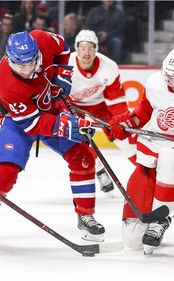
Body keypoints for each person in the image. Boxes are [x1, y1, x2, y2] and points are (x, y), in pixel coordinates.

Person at [0, 29, 106, 243]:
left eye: (31, 62)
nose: (27, 70)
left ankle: (86, 216)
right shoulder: (5, 82)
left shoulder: (41, 39)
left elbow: (63, 46)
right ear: (10, 59)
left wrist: (62, 72)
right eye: (20, 65)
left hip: (49, 107)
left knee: (83, 157)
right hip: (18, 121)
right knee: (3, 174)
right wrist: (65, 126)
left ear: (37, 53)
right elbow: (33, 124)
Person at [105, 47, 174, 254]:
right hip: (149, 161)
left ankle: (160, 218)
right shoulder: (156, 83)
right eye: (169, 78)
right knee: (132, 240)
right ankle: (160, 218)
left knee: (169, 156)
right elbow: (142, 114)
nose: (173, 84)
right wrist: (126, 122)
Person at [68, 30, 137, 193]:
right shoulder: (66, 63)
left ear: (96, 49)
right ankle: (98, 169)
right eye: (83, 48)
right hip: (72, 106)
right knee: (81, 140)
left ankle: (147, 171)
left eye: (91, 48)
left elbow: (117, 100)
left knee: (124, 138)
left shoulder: (109, 67)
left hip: (99, 105)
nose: (86, 52)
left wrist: (121, 122)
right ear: (76, 49)